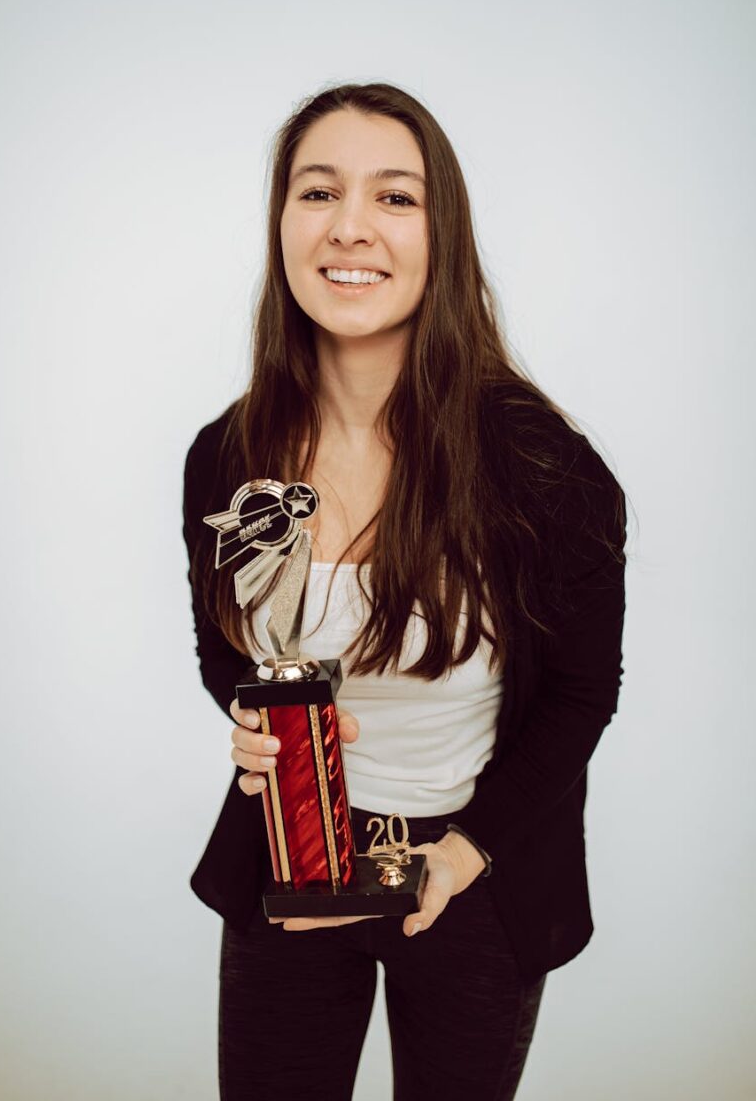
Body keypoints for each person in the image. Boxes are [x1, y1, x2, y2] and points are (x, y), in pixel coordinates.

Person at [182, 81, 627, 1101]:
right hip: (292, 866)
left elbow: (578, 696)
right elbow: (223, 650)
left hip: (475, 873)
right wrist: (251, 719)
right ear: (282, 223)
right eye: (317, 192)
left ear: (444, 234)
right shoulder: (227, 455)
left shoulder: (545, 469)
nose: (350, 228)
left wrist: (466, 853)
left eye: (394, 198)